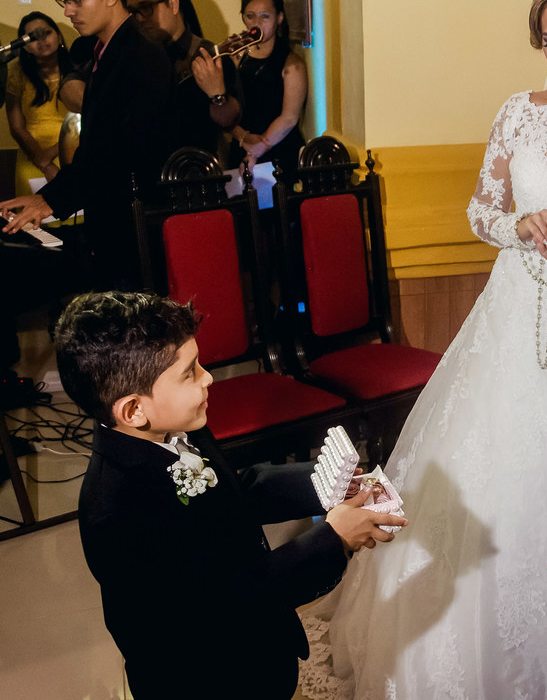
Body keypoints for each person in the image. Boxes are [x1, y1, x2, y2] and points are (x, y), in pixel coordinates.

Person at [297, 0, 547, 700]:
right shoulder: (518, 111)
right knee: (485, 476)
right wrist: (522, 226)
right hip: (510, 319)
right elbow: (480, 212)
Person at [58, 291, 407, 699]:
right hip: (212, 678)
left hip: (259, 653)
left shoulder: (176, 427)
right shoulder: (117, 513)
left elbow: (237, 491)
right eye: (189, 372)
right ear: (134, 409)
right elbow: (227, 603)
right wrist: (334, 538)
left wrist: (327, 481)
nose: (208, 378)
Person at [0, 0, 174, 289]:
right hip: (112, 224)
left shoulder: (142, 58)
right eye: (63, 0)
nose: (67, 11)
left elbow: (119, 153)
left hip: (136, 231)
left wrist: (51, 199)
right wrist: (47, 197)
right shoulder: (102, 52)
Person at [127, 0, 242, 156]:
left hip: (196, 172)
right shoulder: (133, 56)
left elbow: (229, 121)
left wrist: (217, 95)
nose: (139, 18)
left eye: (146, 7)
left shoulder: (211, 56)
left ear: (172, 5)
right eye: (132, 11)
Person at [229, 0, 306, 182]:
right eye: (250, 16)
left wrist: (256, 150)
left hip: (279, 149)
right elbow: (224, 105)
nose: (256, 23)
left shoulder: (291, 63)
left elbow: (289, 118)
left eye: (265, 16)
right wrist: (243, 138)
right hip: (241, 145)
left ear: (279, 18)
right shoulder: (235, 58)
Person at [5, 11, 74, 194]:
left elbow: (87, 119)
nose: (41, 40)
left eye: (46, 32)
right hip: (32, 158)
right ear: (24, 46)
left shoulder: (78, 69)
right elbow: (16, 127)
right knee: (36, 220)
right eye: (33, 37)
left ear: (58, 35)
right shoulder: (16, 72)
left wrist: (49, 157)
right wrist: (43, 163)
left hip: (72, 154)